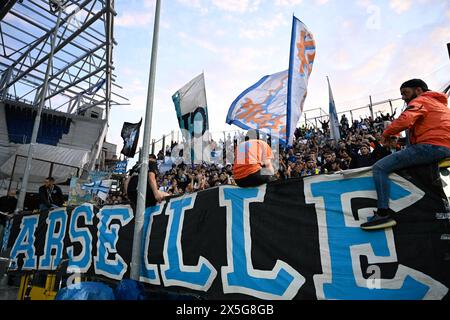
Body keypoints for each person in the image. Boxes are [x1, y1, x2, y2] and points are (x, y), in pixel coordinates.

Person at [361, 79, 450, 230]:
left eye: (405, 93)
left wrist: (386, 134)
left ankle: (383, 214)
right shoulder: (438, 104)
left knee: (379, 168)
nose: (403, 97)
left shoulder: (421, 100)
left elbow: (406, 119)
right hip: (443, 146)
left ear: (419, 90)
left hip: (432, 147)